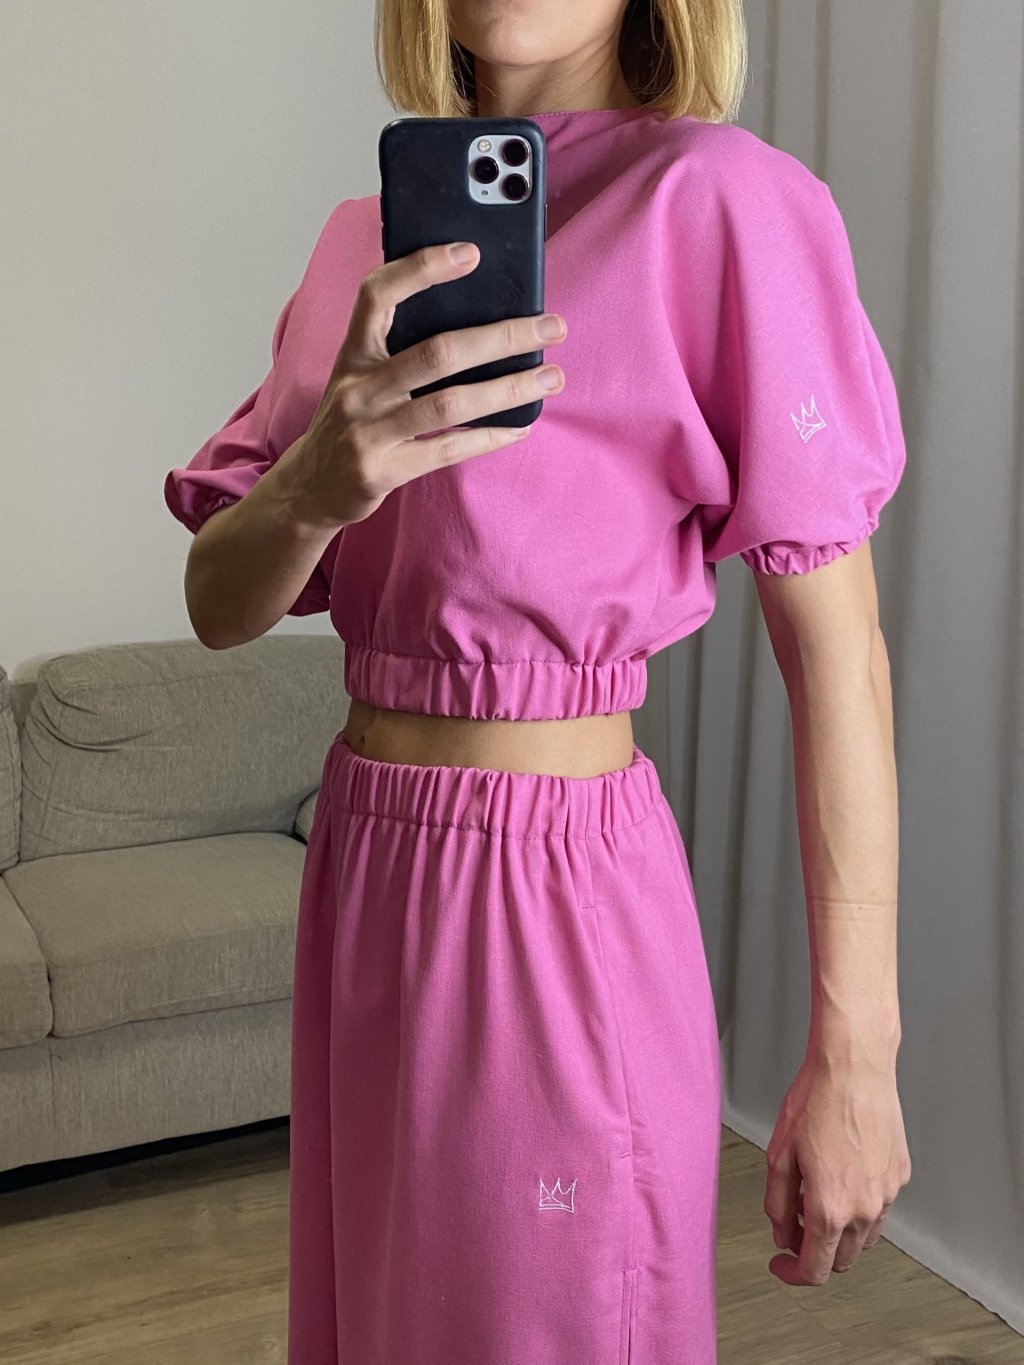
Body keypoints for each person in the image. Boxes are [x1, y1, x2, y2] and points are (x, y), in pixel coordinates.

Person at [163, 0, 913, 1359]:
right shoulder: (361, 243)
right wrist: (316, 487)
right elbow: (220, 602)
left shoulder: (721, 202)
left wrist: (859, 1052)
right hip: (365, 878)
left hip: (554, 889)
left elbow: (838, 652)